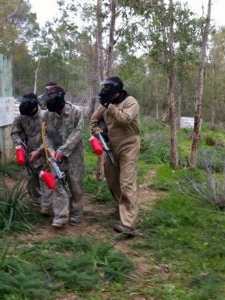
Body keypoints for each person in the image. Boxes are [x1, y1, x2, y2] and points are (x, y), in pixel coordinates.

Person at [89, 76, 140, 236]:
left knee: (127, 182)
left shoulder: (131, 102)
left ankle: (128, 224)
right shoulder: (105, 105)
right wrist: (100, 133)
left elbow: (125, 119)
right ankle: (122, 208)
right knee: (112, 181)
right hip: (111, 146)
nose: (104, 91)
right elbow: (93, 122)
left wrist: (109, 107)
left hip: (129, 145)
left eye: (107, 88)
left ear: (116, 90)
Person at [41, 84, 84, 228]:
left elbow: (77, 133)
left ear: (60, 98)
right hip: (55, 157)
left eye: (50, 100)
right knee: (58, 185)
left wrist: (63, 151)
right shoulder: (47, 115)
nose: (48, 104)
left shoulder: (76, 112)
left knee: (75, 185)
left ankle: (76, 213)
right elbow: (45, 135)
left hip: (73, 156)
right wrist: (52, 151)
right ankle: (61, 216)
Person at [11, 93, 53, 215]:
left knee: (45, 179)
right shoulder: (21, 118)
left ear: (34, 106)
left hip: (44, 153)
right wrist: (20, 146)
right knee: (31, 180)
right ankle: (37, 199)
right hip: (29, 154)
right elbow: (14, 132)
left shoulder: (45, 116)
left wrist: (39, 151)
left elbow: (50, 138)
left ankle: (46, 207)